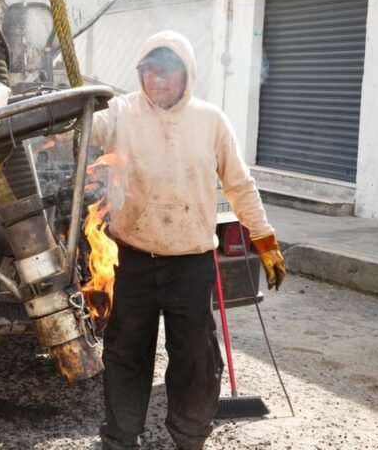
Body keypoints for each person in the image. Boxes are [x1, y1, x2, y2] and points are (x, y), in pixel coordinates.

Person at [91, 31, 286, 450]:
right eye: (148, 70)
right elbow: (85, 130)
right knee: (125, 355)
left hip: (191, 264)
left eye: (166, 70)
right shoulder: (120, 112)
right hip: (133, 260)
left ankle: (190, 438)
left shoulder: (211, 120)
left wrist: (264, 239)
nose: (156, 79)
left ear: (187, 73)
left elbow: (239, 184)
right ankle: (121, 439)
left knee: (195, 360)